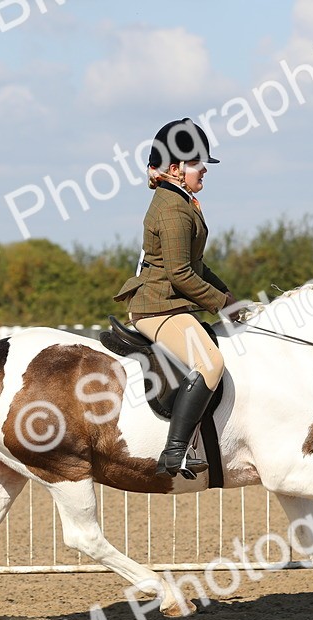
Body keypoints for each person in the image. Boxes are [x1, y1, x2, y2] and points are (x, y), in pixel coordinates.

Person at [114, 118, 236, 478]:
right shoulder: (171, 207)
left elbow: (196, 264)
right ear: (176, 168)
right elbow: (180, 275)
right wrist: (220, 304)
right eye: (198, 163)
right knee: (211, 363)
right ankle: (176, 451)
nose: (204, 170)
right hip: (156, 305)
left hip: (169, 302)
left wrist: (231, 298)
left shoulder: (182, 201)